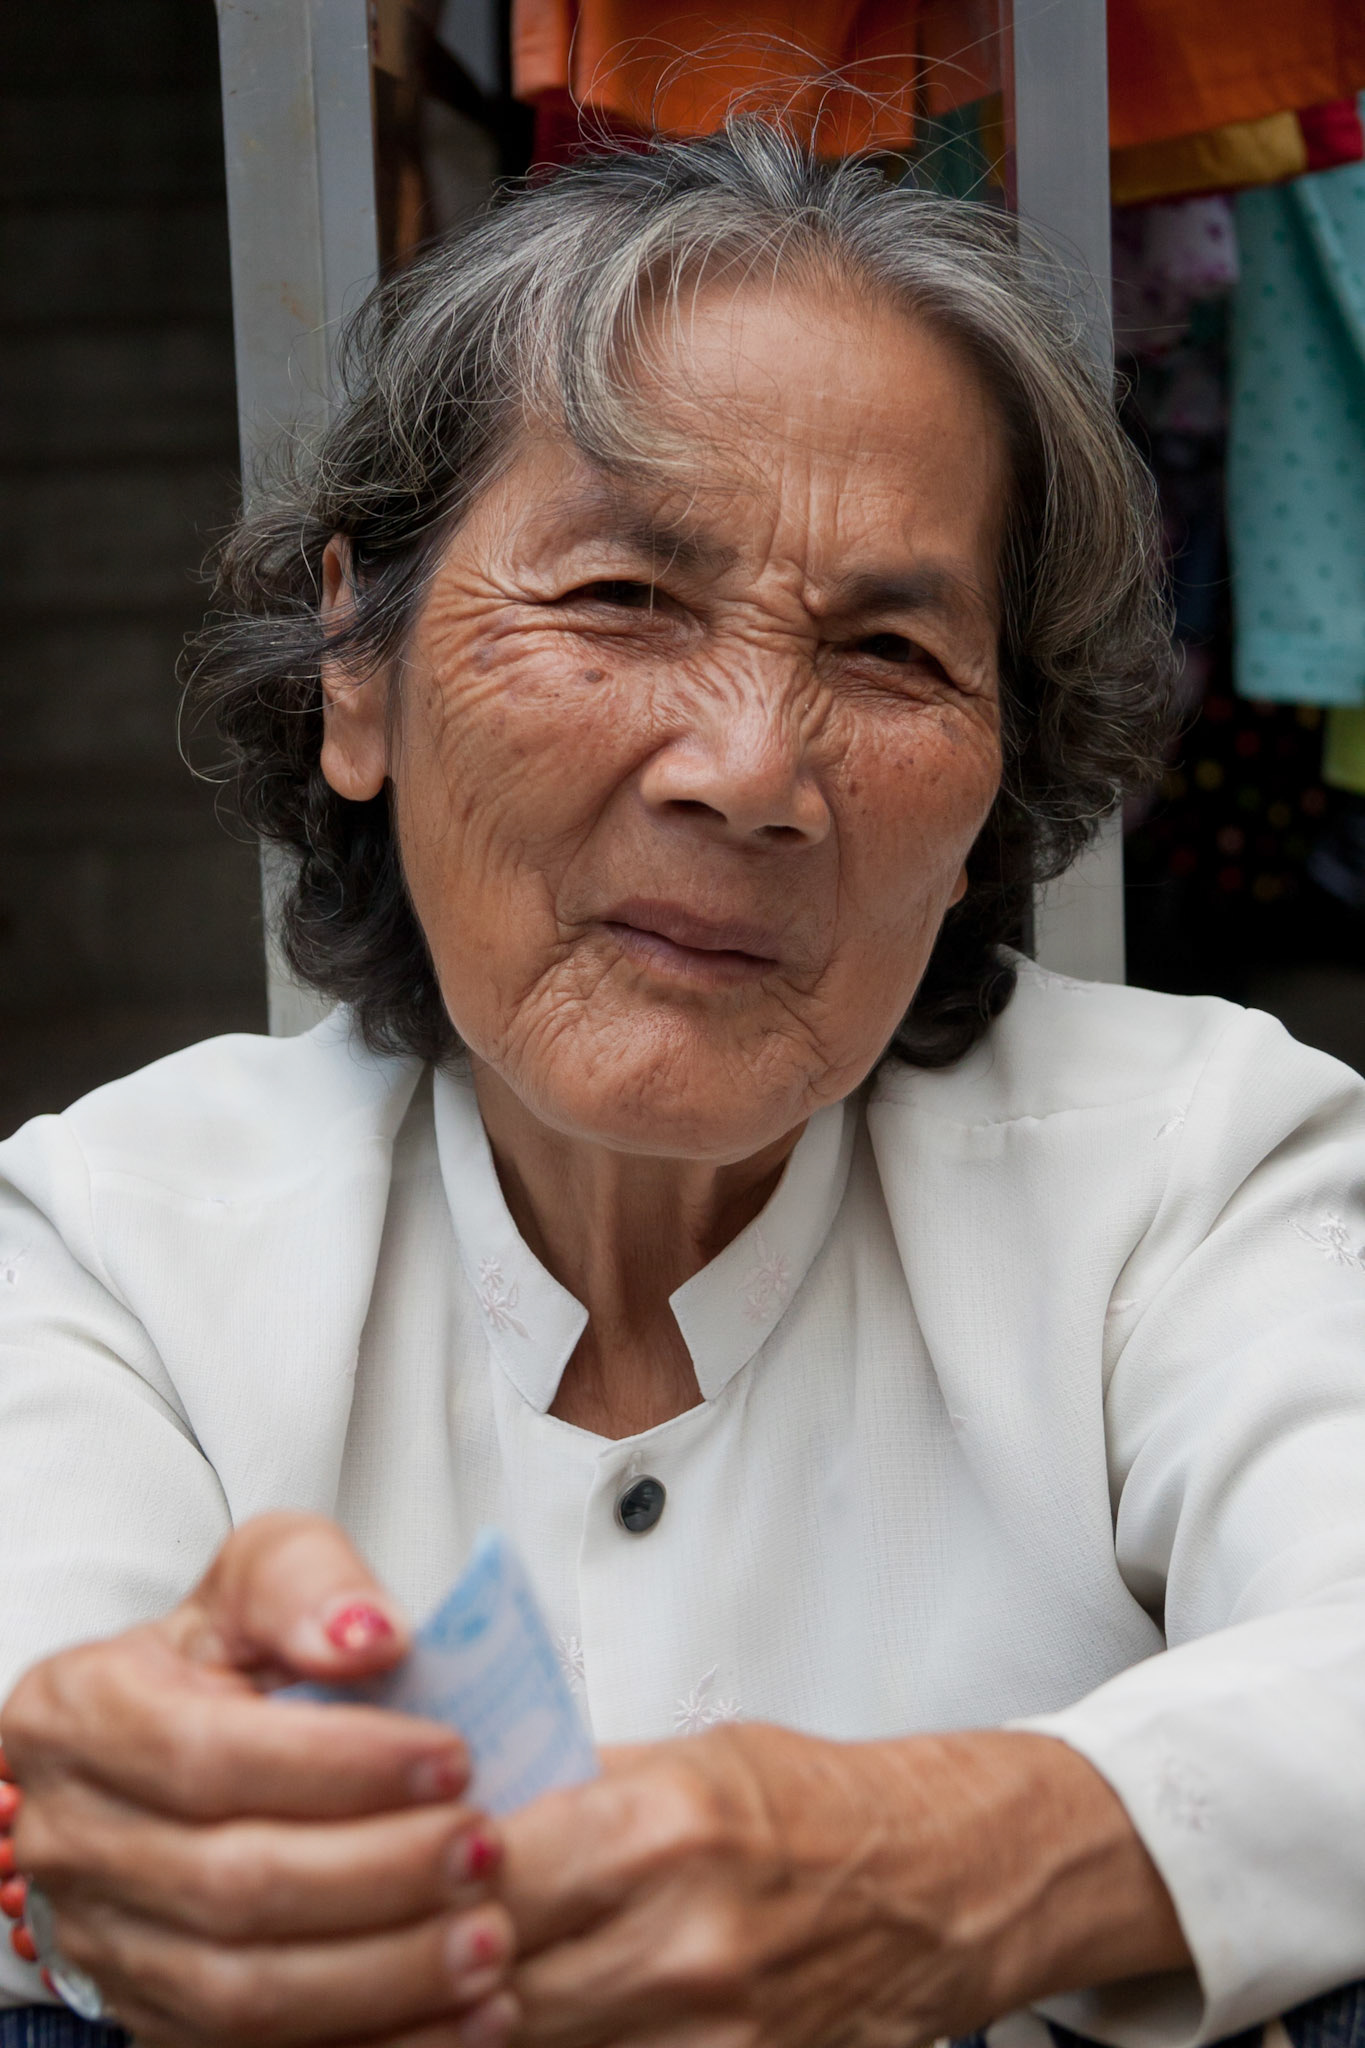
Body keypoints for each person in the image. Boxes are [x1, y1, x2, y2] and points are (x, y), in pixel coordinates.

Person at [2, 121, 1364, 2048]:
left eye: (888, 650)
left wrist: (948, 1858)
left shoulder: (1198, 1168)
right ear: (359, 672)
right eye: (624, 600)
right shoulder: (117, 1240)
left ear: (994, 799)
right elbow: (47, 1714)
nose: (745, 768)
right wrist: (126, 1825)